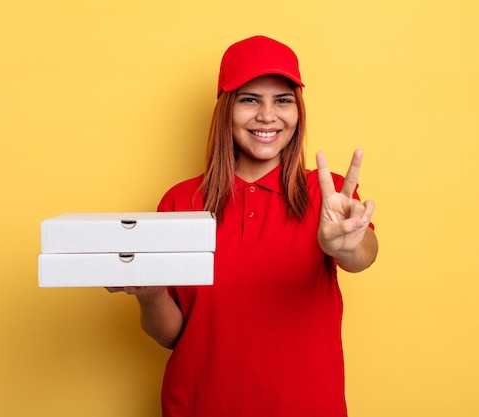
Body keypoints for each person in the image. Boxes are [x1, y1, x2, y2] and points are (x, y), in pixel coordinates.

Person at [108, 35, 378, 417]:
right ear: (225, 109)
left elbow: (362, 255)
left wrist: (347, 244)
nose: (267, 115)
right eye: (250, 99)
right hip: (199, 407)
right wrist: (150, 294)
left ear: (298, 111)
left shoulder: (327, 195)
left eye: (282, 100)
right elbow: (172, 336)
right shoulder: (179, 202)